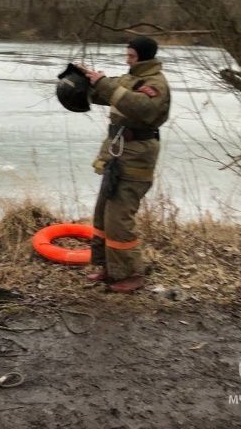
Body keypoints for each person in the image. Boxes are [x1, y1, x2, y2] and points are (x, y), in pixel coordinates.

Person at [76, 36, 171, 293]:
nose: (126, 59)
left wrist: (105, 84)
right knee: (103, 213)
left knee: (119, 218)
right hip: (117, 156)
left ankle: (132, 274)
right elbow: (105, 94)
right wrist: (87, 81)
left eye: (130, 55)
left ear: (142, 57)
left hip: (136, 158)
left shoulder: (155, 84)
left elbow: (138, 106)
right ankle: (109, 268)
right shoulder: (130, 78)